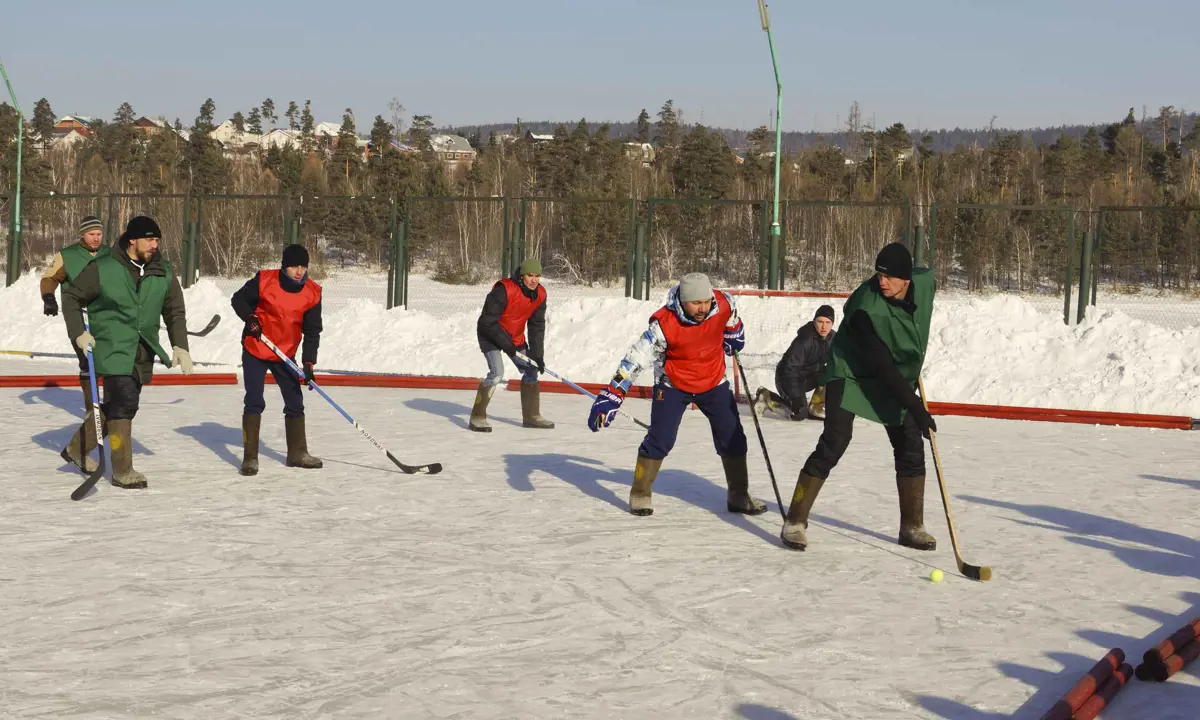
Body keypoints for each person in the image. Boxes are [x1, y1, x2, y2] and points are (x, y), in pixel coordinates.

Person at [780, 243, 938, 551]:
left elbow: (923, 287)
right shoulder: (866, 307)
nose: (881, 282)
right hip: (850, 371)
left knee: (909, 443)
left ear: (906, 279)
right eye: (878, 275)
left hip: (892, 371)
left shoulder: (924, 284)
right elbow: (880, 364)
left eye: (889, 276)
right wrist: (915, 407)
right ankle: (795, 519)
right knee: (835, 440)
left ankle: (912, 527)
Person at [587, 272, 767, 517]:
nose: (703, 308)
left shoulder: (723, 303)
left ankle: (738, 495)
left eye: (706, 301)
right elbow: (635, 360)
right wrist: (613, 393)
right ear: (682, 301)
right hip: (673, 384)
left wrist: (735, 332)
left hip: (713, 381)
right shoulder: (664, 324)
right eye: (696, 303)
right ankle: (640, 493)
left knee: (732, 435)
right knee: (661, 439)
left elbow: (732, 318)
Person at [61, 215, 192, 489]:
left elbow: (174, 311)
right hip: (111, 346)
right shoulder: (104, 267)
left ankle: (76, 447)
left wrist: (180, 345)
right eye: (149, 239)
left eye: (157, 239)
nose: (154, 244)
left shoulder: (163, 271)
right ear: (132, 240)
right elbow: (72, 297)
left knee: (120, 404)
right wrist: (78, 333)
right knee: (124, 403)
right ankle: (122, 470)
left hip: (143, 348)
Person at [230, 243, 323, 475]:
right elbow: (237, 300)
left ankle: (297, 453)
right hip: (257, 348)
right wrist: (250, 318)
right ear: (284, 267)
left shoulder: (312, 292)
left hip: (285, 353)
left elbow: (312, 331)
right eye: (294, 266)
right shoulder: (265, 281)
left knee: (295, 401)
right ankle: (250, 458)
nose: (299, 271)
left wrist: (308, 364)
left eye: (303, 266)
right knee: (254, 399)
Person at [41, 216, 111, 472]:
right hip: (80, 319)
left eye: (99, 234)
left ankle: (106, 410)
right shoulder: (68, 255)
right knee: (88, 362)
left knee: (110, 362)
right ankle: (92, 410)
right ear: (82, 235)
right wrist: (49, 297)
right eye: (91, 234)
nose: (96, 238)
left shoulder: (110, 254)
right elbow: (49, 277)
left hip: (105, 318)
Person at [470, 258, 554, 432]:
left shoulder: (540, 294)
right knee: (497, 374)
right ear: (522, 275)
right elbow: (487, 322)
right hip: (490, 335)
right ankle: (477, 416)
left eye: (537, 276)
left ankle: (532, 416)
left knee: (531, 369)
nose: (534, 280)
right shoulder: (504, 290)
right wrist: (505, 343)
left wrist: (537, 354)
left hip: (514, 337)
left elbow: (537, 325)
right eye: (530, 275)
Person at [755, 305, 836, 420]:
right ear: (814, 321)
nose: (824, 326)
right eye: (820, 321)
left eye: (828, 322)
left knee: (833, 371)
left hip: (808, 375)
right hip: (788, 378)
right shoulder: (805, 340)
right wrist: (796, 397)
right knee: (799, 414)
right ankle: (767, 398)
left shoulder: (833, 338)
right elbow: (789, 369)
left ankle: (817, 407)